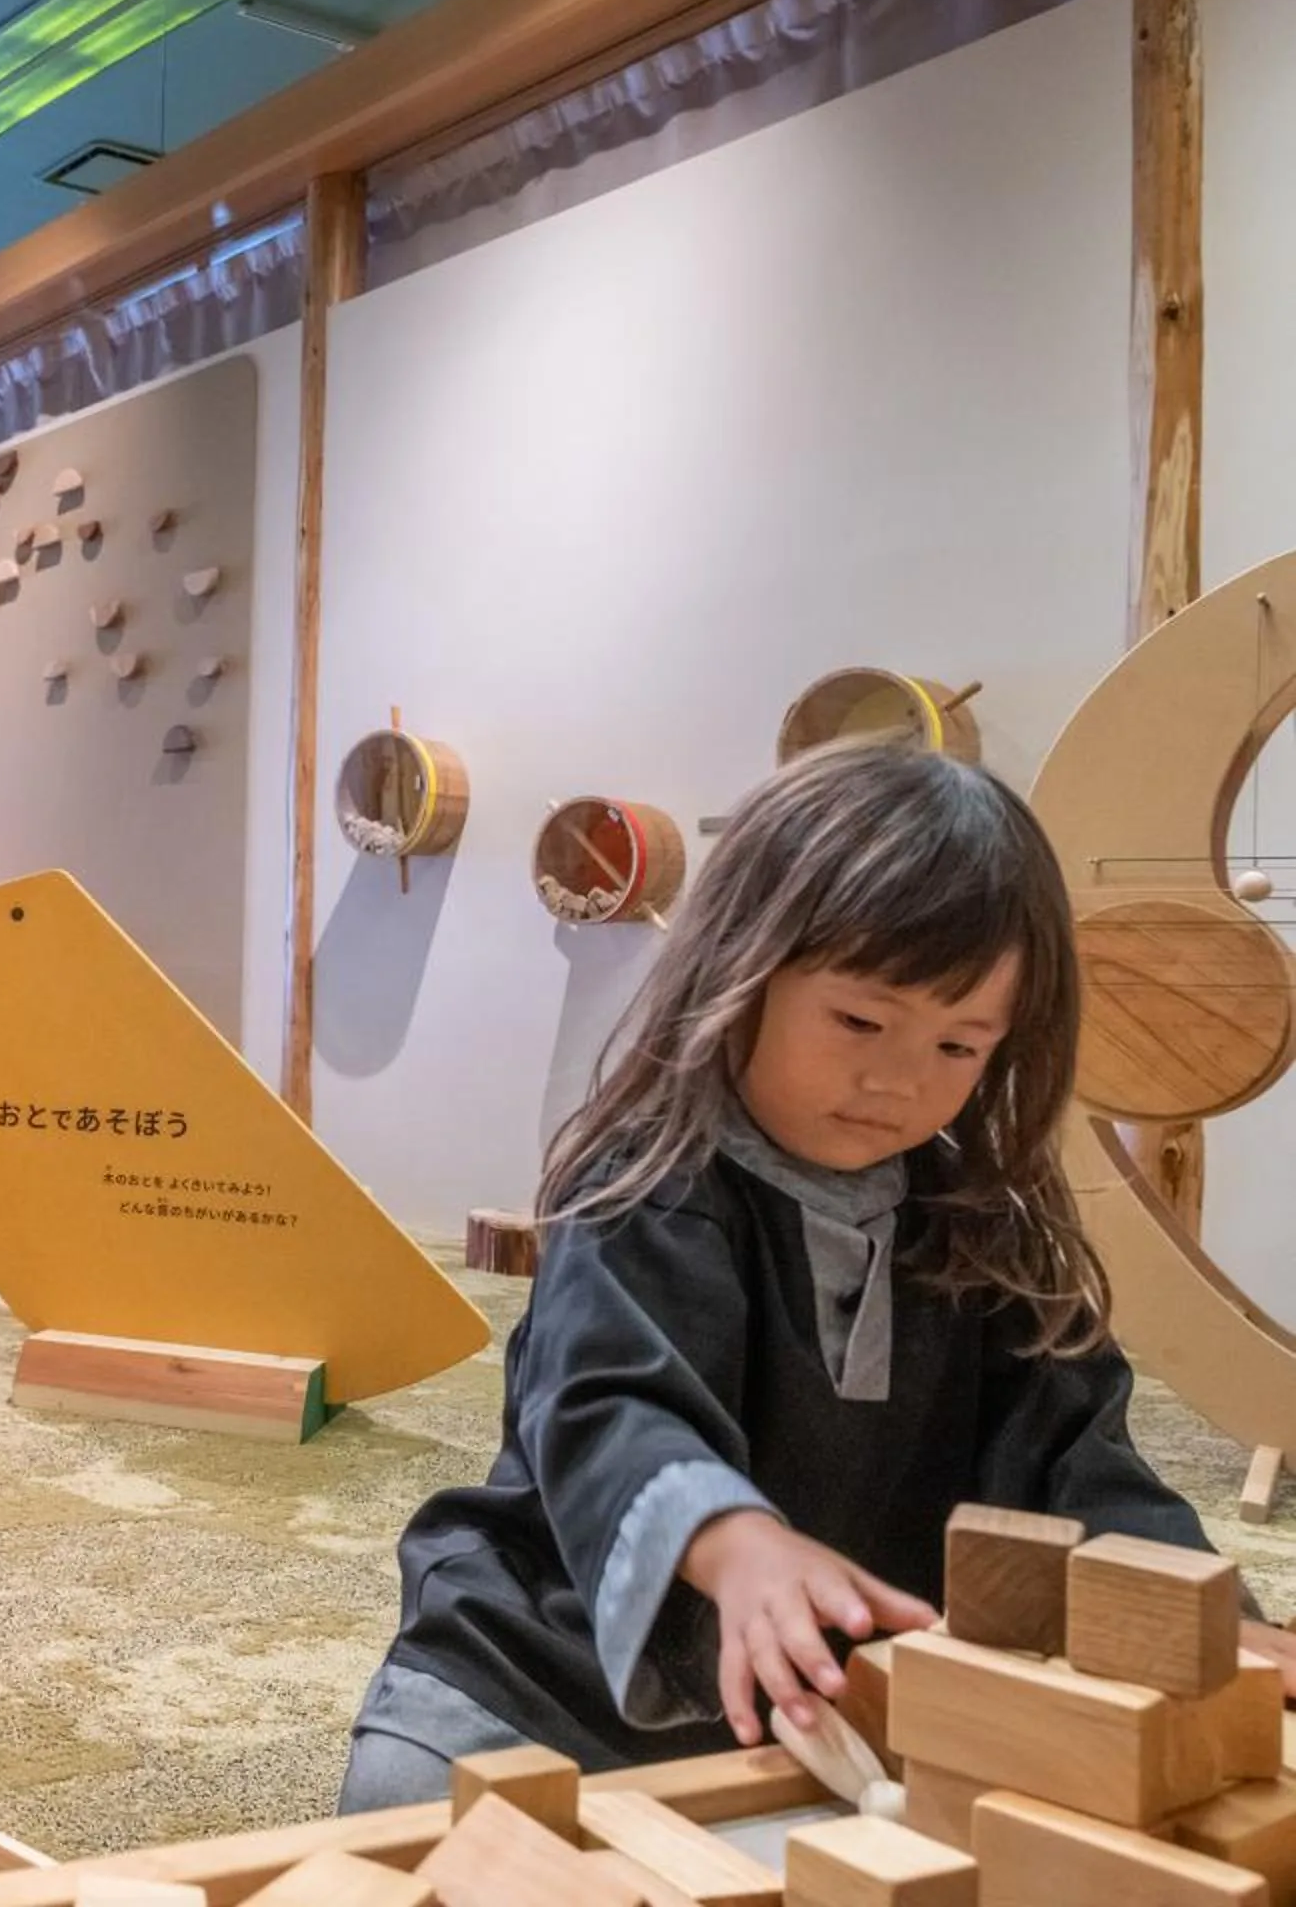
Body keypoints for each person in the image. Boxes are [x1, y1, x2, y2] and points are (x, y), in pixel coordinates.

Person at [337, 743, 1296, 1811]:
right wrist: (737, 1545)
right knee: (405, 1816)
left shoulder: (987, 1219)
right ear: (743, 967)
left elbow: (1081, 1456)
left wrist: (1213, 1621)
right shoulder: (648, 1180)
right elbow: (613, 1407)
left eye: (960, 1045)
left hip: (820, 1708)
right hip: (540, 1679)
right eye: (859, 1020)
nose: (897, 1078)